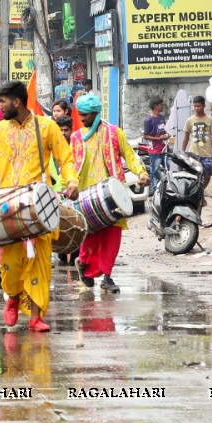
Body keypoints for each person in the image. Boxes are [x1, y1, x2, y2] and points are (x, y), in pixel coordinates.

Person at [0, 80, 79, 332]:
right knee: (9, 265)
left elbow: (65, 159)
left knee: (40, 263)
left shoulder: (46, 126)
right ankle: (12, 297)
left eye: (1, 102)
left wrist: (72, 181)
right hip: (8, 205)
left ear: (16, 102)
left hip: (40, 203)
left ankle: (36, 316)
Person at [70, 95, 145, 294]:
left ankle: (107, 276)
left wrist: (141, 173)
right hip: (87, 196)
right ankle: (84, 264)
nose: (82, 118)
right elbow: (69, 165)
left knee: (112, 238)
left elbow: (130, 155)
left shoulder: (114, 132)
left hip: (113, 194)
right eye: (80, 115)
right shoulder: (76, 137)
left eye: (85, 115)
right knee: (91, 236)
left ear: (95, 113)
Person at [181, 95, 212, 196]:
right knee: (195, 175)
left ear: (204, 106)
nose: (197, 108)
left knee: (208, 175)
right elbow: (186, 137)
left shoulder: (210, 119)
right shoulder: (190, 120)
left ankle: (199, 192)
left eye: (199, 106)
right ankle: (197, 194)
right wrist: (183, 152)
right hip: (194, 153)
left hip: (207, 152)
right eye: (195, 106)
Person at [142, 98, 169, 192]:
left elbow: (165, 130)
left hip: (165, 148)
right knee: (154, 170)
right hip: (155, 150)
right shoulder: (148, 120)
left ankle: (167, 189)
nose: (162, 106)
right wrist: (158, 139)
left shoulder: (161, 118)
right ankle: (154, 190)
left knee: (169, 168)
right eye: (161, 104)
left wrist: (167, 135)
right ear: (156, 106)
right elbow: (145, 136)